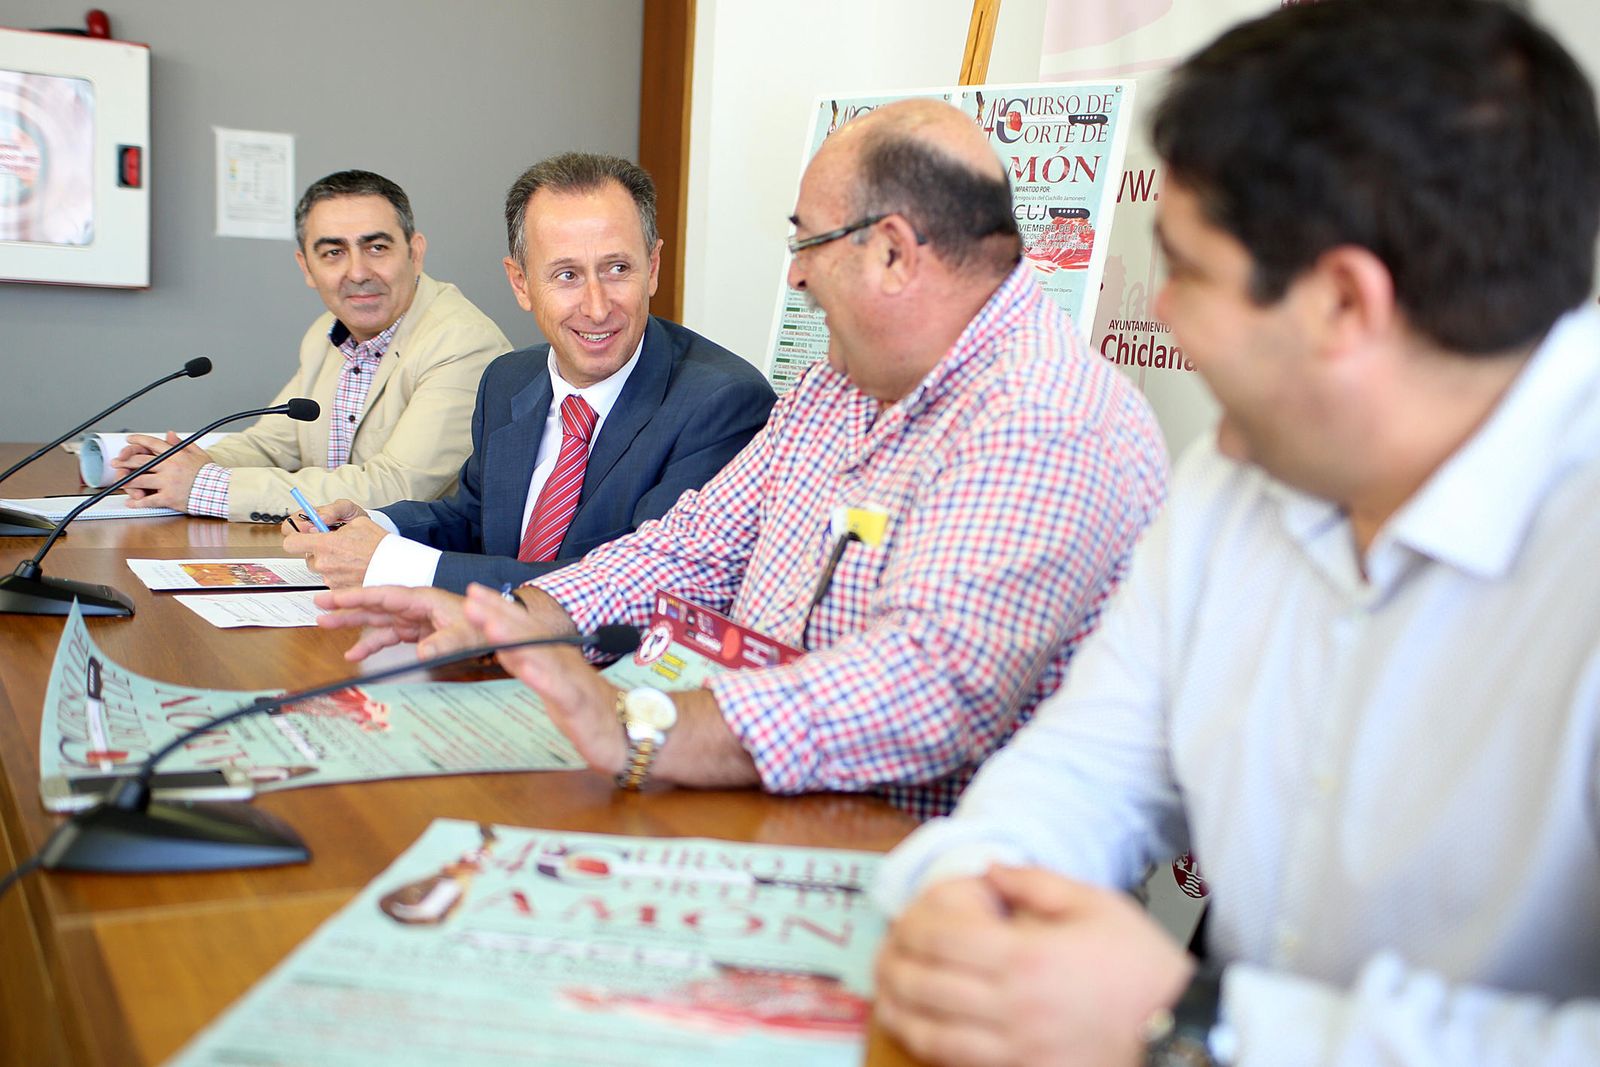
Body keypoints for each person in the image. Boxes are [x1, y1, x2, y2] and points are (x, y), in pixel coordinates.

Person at [870, 2, 1600, 1064]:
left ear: (1344, 303)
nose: (1159, 312)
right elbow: (1085, 771)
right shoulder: (1236, 478)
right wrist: (970, 893)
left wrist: (1199, 1024)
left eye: (1189, 272)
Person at [315, 99, 1168, 819]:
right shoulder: (838, 387)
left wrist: (647, 727)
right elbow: (693, 546)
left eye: (808, 244)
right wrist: (517, 616)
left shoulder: (1042, 414)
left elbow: (926, 685)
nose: (795, 280)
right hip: (762, 810)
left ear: (896, 252)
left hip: (935, 878)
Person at [280, 154, 775, 593]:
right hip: (486, 656)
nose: (597, 307)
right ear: (520, 283)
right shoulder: (509, 379)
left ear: (654, 266)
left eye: (618, 269)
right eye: (566, 275)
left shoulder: (723, 404)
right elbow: (474, 520)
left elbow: (632, 584)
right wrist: (376, 524)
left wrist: (396, 563)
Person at [111, 170, 510, 522]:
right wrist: (176, 466)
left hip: (419, 571)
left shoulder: (462, 342)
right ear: (307, 267)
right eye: (334, 252)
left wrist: (206, 487)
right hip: (331, 557)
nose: (357, 272)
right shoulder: (328, 332)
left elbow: (398, 488)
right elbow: (271, 445)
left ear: (415, 253)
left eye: (377, 248)